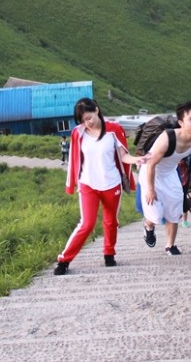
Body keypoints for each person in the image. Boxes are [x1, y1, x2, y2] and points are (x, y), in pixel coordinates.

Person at [54, 98, 143, 275]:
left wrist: (137, 160)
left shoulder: (113, 130)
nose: (88, 122)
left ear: (96, 110)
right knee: (86, 224)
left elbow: (123, 155)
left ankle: (109, 253)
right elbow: (74, 159)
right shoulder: (78, 133)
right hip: (88, 184)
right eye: (83, 120)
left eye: (89, 117)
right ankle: (64, 260)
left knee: (111, 222)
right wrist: (72, 182)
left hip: (111, 184)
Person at [139, 101, 191, 255]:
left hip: (170, 173)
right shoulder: (168, 138)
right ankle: (148, 225)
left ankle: (170, 245)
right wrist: (151, 189)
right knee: (156, 215)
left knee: (175, 208)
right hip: (150, 172)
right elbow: (151, 164)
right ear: (181, 122)